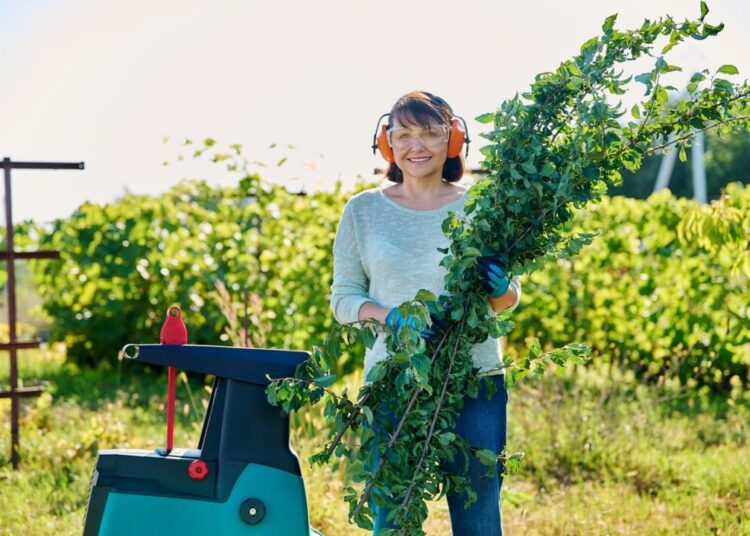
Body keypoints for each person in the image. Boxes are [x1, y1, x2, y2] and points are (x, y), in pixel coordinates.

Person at [329, 90, 521, 535]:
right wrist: (389, 316)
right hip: (394, 380)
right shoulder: (363, 211)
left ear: (452, 140)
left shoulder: (481, 208)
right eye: (405, 134)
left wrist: (501, 287)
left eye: (431, 133)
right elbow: (343, 299)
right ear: (387, 143)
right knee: (392, 518)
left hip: (474, 379)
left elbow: (508, 299)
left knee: (478, 517)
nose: (418, 145)